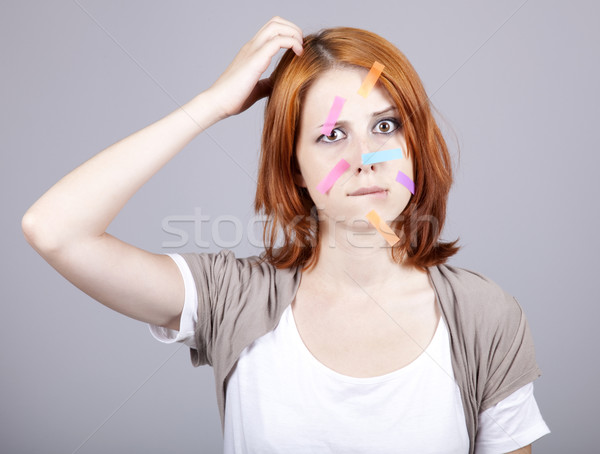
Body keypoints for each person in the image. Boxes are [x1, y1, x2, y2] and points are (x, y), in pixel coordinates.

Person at [22, 16, 550, 454]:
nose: (364, 159)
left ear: (414, 142)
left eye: (385, 126)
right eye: (331, 135)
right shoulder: (233, 297)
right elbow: (54, 230)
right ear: (294, 166)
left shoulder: (484, 317)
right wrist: (211, 104)